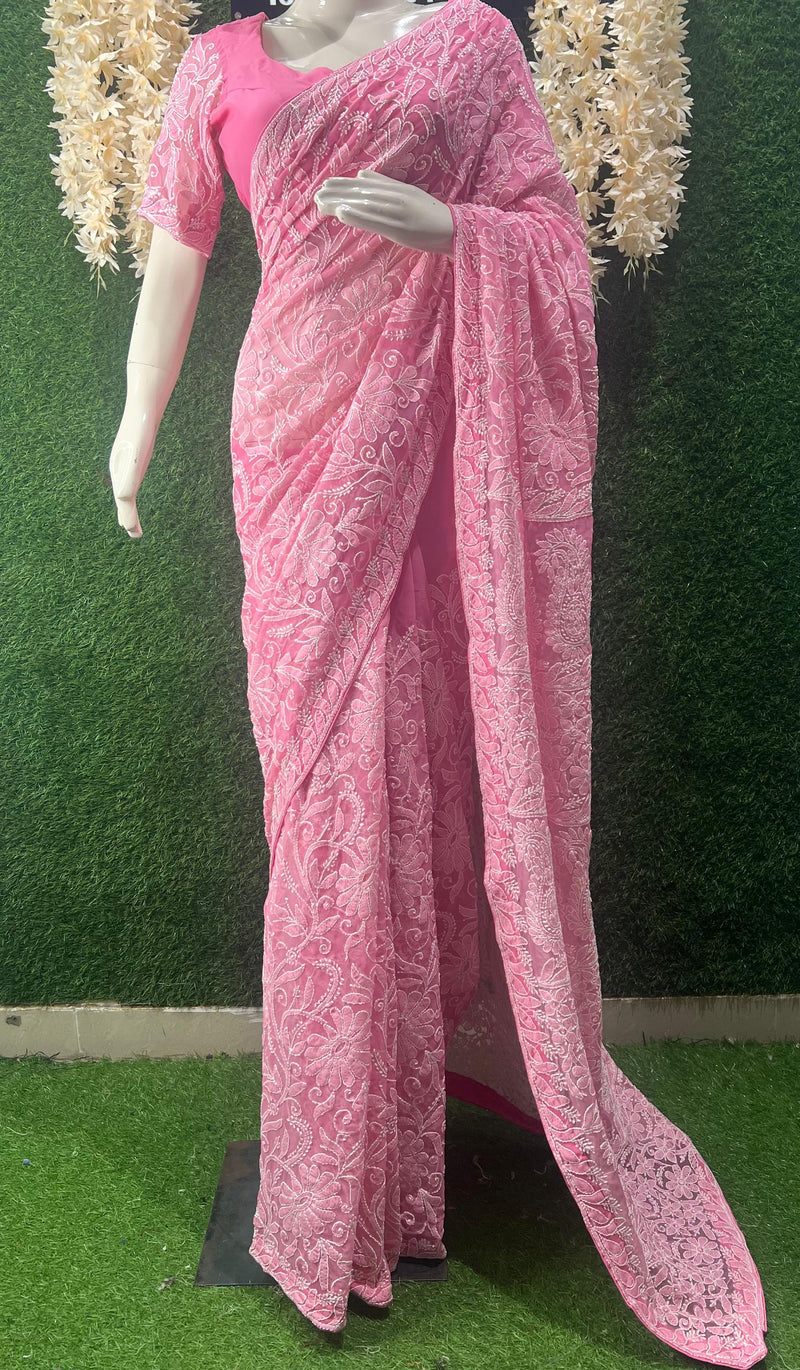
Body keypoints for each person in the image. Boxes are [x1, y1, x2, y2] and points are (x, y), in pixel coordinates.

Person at [109, 1, 768, 1362]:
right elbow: (178, 253)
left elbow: (551, 238)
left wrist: (456, 233)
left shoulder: (467, 45)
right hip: (292, 446)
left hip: (423, 449)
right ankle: (337, 1170)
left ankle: (389, 1167)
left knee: (413, 758)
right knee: (318, 797)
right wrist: (132, 428)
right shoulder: (213, 69)